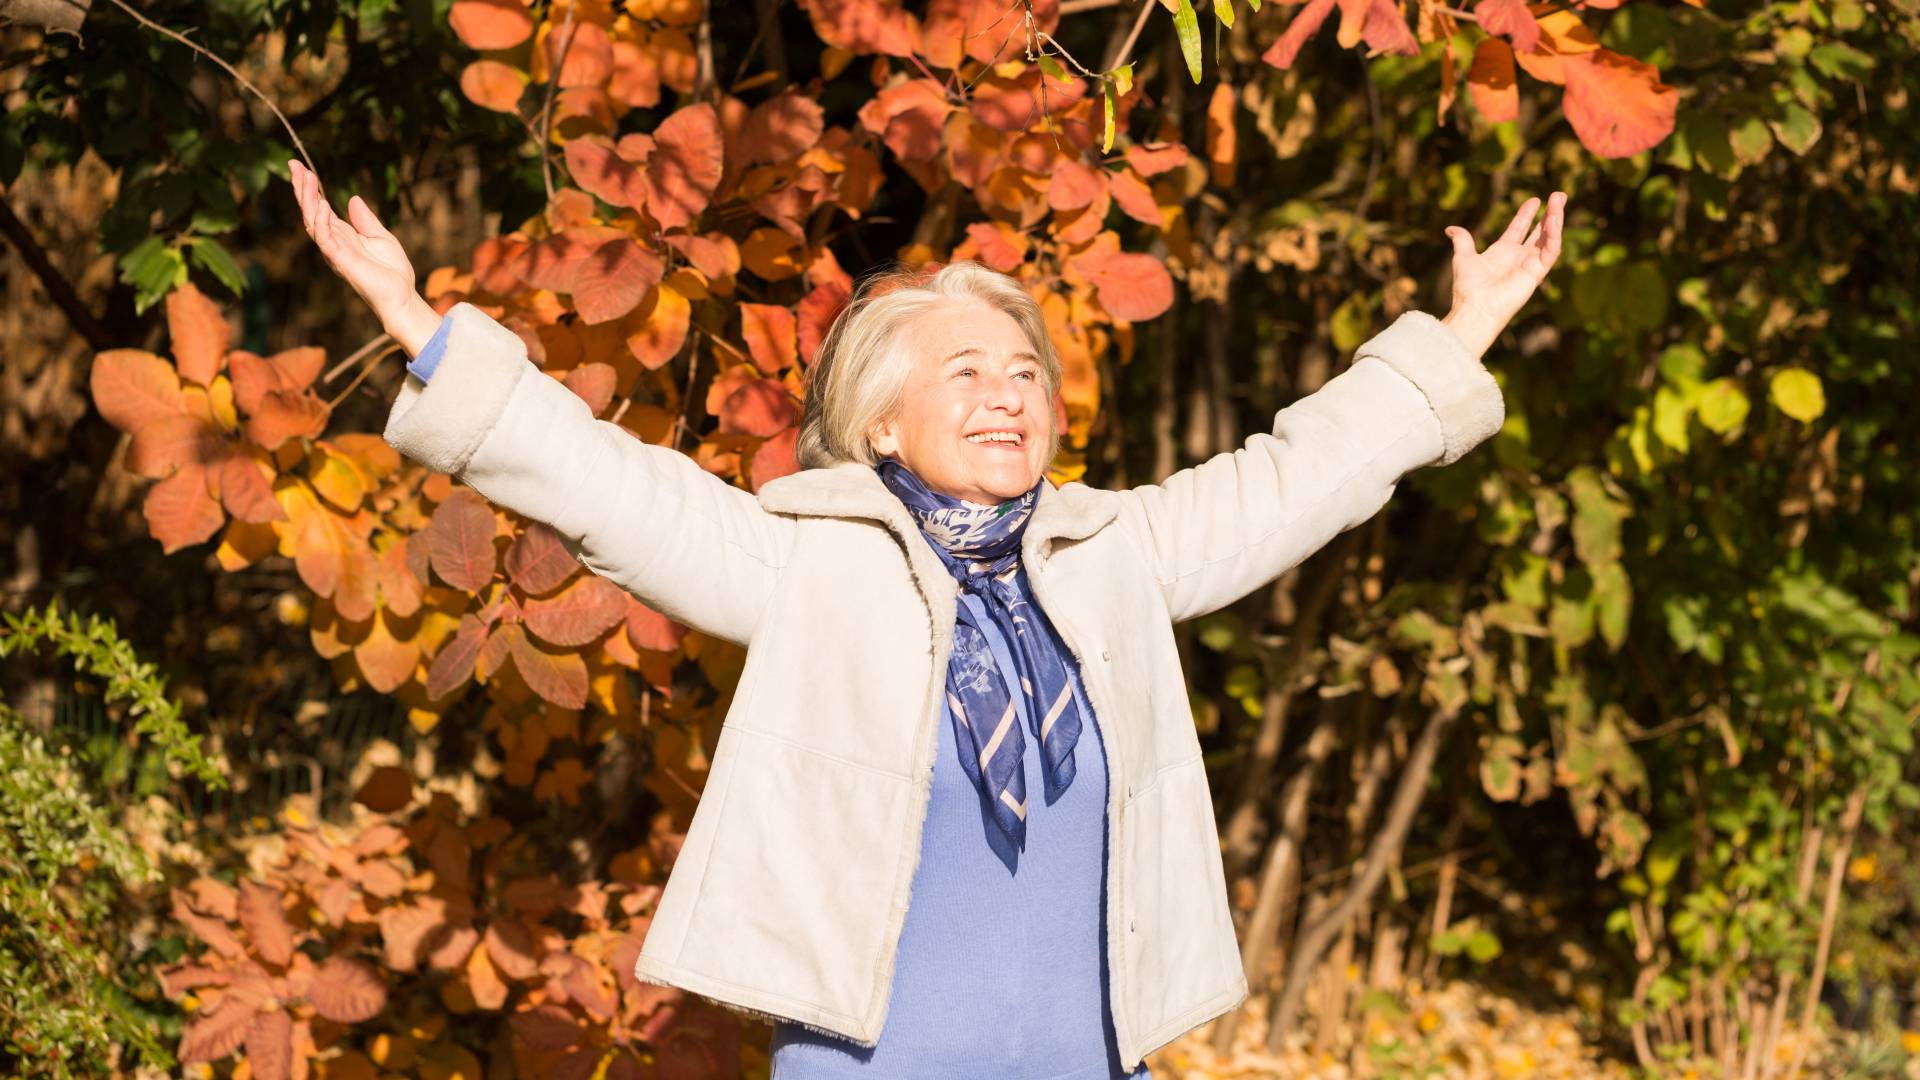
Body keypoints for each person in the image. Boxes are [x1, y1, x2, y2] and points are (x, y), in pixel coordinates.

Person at [289, 158, 1564, 1078]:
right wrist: (424, 329)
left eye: (1025, 375)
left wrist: (1459, 337)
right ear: (882, 424)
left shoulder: (1112, 555)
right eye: (967, 372)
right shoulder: (811, 563)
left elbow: (1293, 477)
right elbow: (616, 490)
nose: (1009, 395)